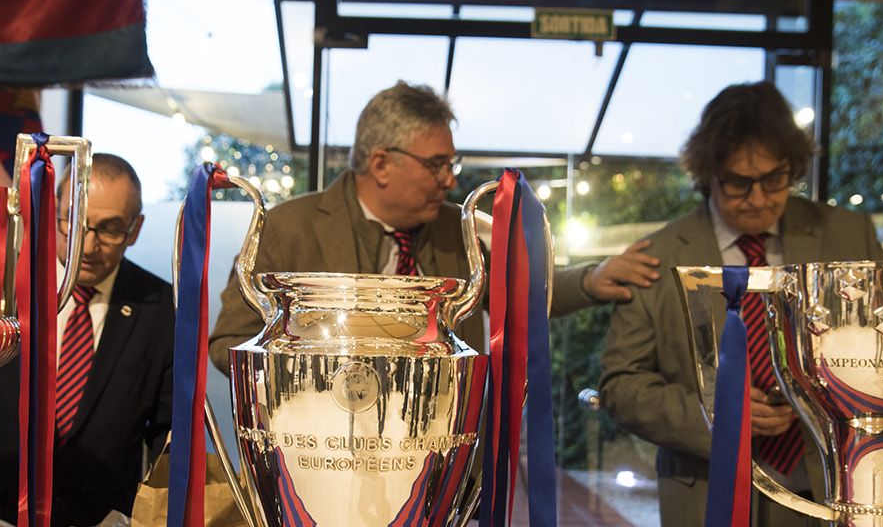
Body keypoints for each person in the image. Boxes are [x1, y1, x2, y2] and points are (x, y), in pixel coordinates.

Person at [599, 81, 883, 527]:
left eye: (774, 179)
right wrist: (720, 411)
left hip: (831, 486)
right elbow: (620, 386)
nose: (758, 199)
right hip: (709, 492)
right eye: (737, 183)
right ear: (707, 174)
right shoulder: (660, 255)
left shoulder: (847, 235)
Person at [208, 81, 662, 367]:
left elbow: (521, 294)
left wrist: (592, 281)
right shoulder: (287, 228)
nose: (450, 179)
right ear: (381, 164)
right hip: (323, 456)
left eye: (452, 163)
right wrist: (315, 376)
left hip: (443, 461)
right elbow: (229, 341)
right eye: (436, 164)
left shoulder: (459, 229)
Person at [0, 153, 174, 527]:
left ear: (135, 229)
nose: (88, 246)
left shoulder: (160, 307)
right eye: (73, 224)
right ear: (53, 212)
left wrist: (156, 523)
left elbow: (168, 434)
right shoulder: (3, 290)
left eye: (110, 230)